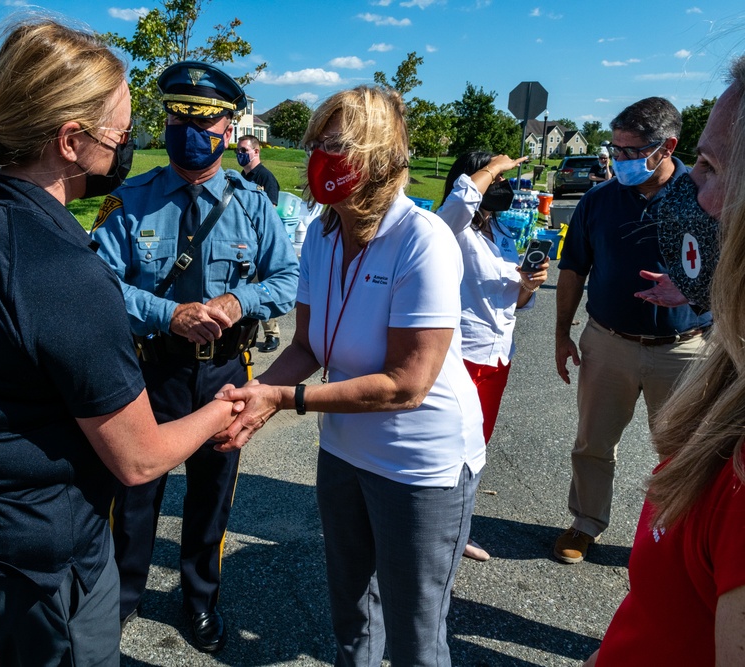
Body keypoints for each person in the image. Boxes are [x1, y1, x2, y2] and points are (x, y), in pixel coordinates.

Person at [0, 22, 242, 665]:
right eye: (122, 134)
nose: (131, 146)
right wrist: (228, 408)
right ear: (72, 142)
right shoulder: (60, 267)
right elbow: (140, 460)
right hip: (44, 560)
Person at [215, 85, 485, 667]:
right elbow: (310, 344)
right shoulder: (321, 231)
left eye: (336, 145)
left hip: (421, 465)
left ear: (381, 156)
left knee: (416, 634)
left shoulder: (424, 240)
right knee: (353, 617)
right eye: (316, 143)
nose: (320, 157)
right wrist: (259, 393)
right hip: (343, 450)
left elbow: (407, 384)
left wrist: (288, 399)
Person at [92, 61, 298, 652]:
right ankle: (124, 596)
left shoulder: (252, 203)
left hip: (225, 376)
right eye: (180, 117)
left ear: (227, 129)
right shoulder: (130, 200)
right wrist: (167, 315)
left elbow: (287, 279)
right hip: (150, 370)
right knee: (134, 493)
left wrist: (240, 299)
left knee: (212, 496)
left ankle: (200, 599)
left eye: (205, 121)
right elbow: (99, 283)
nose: (191, 129)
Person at [584, 54, 745, 667]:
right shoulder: (723, 410)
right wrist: (710, 288)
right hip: (611, 341)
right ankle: (586, 522)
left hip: (674, 352)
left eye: (713, 166)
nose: (697, 194)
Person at [553, 96, 712, 565]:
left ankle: (679, 540)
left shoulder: (704, 197)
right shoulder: (599, 200)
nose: (619, 160)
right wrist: (561, 333)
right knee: (593, 442)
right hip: (609, 344)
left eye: (630, 151)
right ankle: (584, 522)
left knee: (685, 454)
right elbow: (573, 269)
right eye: (616, 149)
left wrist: (689, 288)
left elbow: (731, 271)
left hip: (685, 349)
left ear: (667, 148)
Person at [437, 151, 548, 561]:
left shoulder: (500, 231)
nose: (503, 188)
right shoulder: (451, 228)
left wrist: (530, 285)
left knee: (476, 447)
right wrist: (489, 169)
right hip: (461, 356)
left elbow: (510, 302)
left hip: (497, 357)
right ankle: (440, 531)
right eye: (497, 180)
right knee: (450, 448)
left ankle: (458, 527)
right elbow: (455, 209)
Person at [237, 134, 284, 353]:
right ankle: (246, 332)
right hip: (240, 242)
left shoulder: (266, 178)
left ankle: (272, 334)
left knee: (259, 287)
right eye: (238, 150)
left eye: (244, 150)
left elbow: (270, 213)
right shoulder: (239, 178)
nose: (240, 154)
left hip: (259, 243)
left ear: (256, 152)